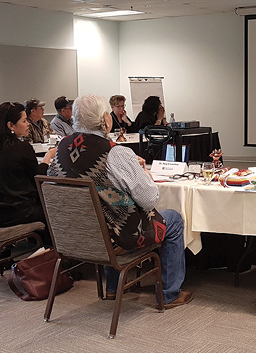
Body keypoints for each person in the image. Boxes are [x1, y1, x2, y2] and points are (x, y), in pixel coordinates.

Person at [48, 93, 192, 309]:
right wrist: (143, 174)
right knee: (173, 219)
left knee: (104, 212)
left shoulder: (59, 151)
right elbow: (149, 199)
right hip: (119, 238)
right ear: (105, 119)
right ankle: (170, 293)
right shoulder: (116, 153)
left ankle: (114, 287)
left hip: (77, 235)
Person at [0, 102, 56, 245]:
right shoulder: (22, 148)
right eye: (24, 121)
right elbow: (38, 179)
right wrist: (48, 157)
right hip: (15, 212)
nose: (28, 124)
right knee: (55, 209)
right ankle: (50, 255)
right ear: (10, 125)